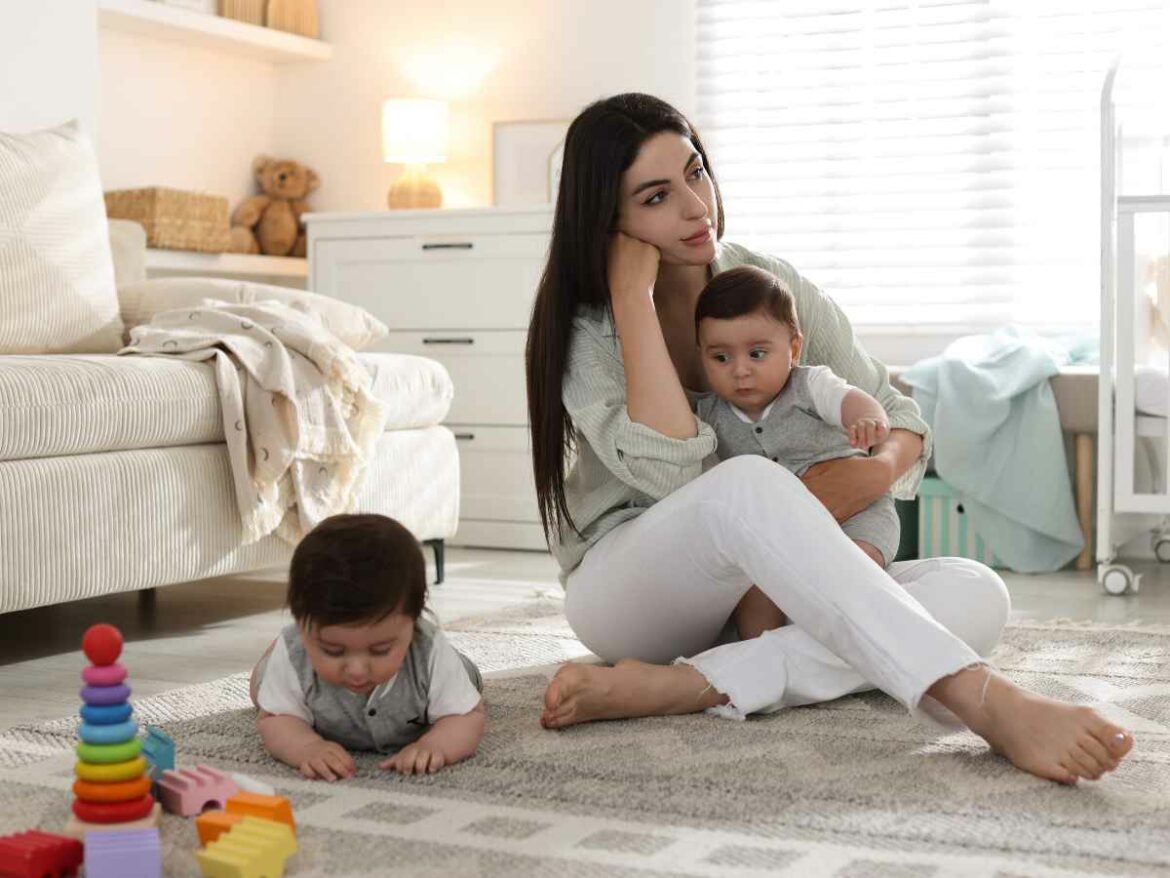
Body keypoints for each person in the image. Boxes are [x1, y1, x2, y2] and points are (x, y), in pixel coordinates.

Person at [524, 92, 1133, 784]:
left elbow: (898, 414)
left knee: (974, 593)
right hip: (636, 595)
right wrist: (633, 299)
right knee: (746, 483)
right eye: (657, 197)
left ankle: (686, 686)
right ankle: (985, 701)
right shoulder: (589, 330)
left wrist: (870, 475)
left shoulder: (768, 282)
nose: (697, 207)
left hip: (761, 598)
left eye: (696, 173)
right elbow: (682, 480)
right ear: (610, 222)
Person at [693, 265, 897, 640]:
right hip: (776, 536)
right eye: (721, 358)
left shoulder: (810, 386)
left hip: (855, 517)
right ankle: (762, 649)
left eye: (757, 354)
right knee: (753, 587)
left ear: (794, 348)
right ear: (701, 355)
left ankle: (845, 637)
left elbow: (848, 399)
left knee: (853, 571)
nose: (740, 370)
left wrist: (867, 417)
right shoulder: (708, 416)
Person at [249, 514, 485, 780]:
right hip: (289, 664)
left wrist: (435, 746)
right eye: (333, 650)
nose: (357, 670)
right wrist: (306, 747)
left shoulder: (429, 650)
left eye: (380, 649)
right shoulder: (296, 654)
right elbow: (276, 719)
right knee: (264, 690)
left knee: (467, 682)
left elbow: (466, 716)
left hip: (438, 665)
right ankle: (273, 654)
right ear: (302, 625)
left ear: (413, 622)